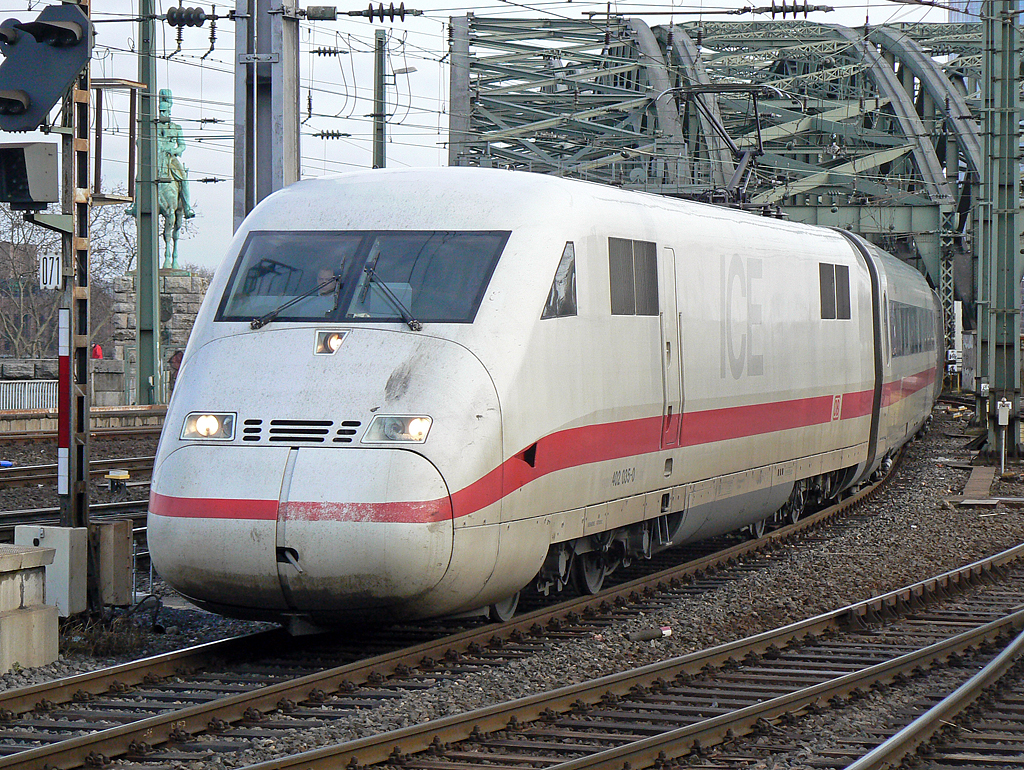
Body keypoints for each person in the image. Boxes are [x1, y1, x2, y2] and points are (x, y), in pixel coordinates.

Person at [157, 89, 195, 219]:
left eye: (164, 111)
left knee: (184, 178)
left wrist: (174, 150)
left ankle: (187, 206)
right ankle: (135, 204)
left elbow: (182, 145)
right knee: (140, 177)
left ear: (169, 112)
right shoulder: (153, 126)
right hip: (157, 157)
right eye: (160, 111)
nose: (161, 113)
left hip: (171, 158)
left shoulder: (176, 127)